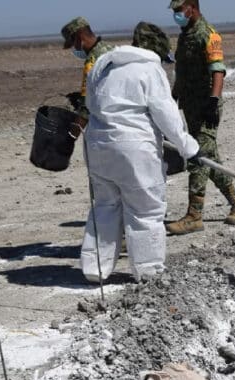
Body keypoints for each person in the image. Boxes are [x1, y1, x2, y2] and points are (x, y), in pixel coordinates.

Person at [79, 23, 205, 282]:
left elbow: (91, 105)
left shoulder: (103, 67)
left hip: (98, 147)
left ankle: (95, 269)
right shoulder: (150, 69)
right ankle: (148, 273)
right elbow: (166, 115)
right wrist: (188, 147)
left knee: (105, 206)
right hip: (134, 151)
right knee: (145, 211)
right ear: (157, 51)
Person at [166, 0, 235, 235]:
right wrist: (174, 96)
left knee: (198, 156)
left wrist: (213, 100)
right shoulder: (185, 35)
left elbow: (218, 70)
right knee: (209, 156)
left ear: (191, 7)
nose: (177, 15)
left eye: (179, 10)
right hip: (190, 106)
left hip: (207, 106)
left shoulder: (208, 34)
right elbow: (181, 69)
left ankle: (194, 215)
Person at [61, 17, 114, 139]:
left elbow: (86, 108)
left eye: (73, 43)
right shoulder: (112, 49)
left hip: (110, 128)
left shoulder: (92, 62)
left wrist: (72, 136)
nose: (75, 48)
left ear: (80, 38)